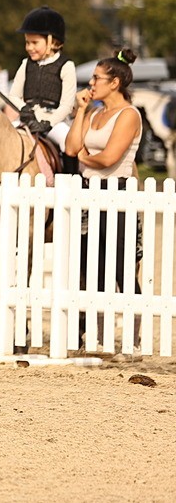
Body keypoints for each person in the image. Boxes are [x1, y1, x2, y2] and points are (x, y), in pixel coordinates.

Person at [64, 49, 143, 341]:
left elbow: (110, 157)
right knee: (90, 265)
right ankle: (95, 334)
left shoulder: (129, 115)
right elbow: (71, 149)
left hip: (117, 194)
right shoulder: (95, 112)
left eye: (97, 78)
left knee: (122, 266)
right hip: (89, 193)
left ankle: (137, 334)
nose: (91, 84)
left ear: (115, 83)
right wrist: (82, 111)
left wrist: (86, 156)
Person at [6, 6, 77, 171]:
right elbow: (14, 95)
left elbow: (67, 106)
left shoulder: (66, 66)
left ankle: (72, 183)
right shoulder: (25, 64)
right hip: (27, 120)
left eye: (34, 43)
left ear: (52, 41)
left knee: (67, 142)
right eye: (27, 42)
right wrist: (24, 109)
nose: (29, 47)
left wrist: (47, 123)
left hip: (54, 121)